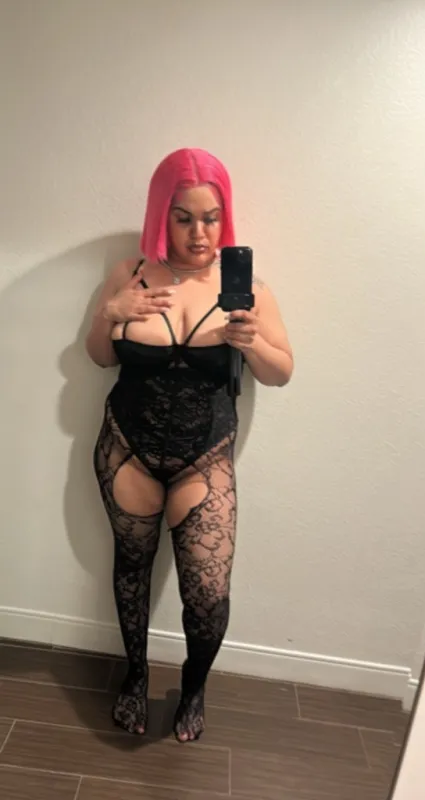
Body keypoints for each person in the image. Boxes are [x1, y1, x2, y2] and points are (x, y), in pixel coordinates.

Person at [85, 147, 293, 742]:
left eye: (211, 217)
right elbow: (98, 357)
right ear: (162, 215)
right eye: (183, 218)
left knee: (207, 592)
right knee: (132, 567)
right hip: (126, 446)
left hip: (204, 456)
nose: (199, 233)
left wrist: (251, 343)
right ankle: (134, 676)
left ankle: (194, 686)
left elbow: (281, 373)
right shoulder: (129, 274)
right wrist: (110, 313)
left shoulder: (247, 288)